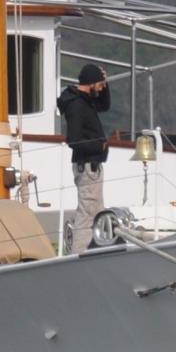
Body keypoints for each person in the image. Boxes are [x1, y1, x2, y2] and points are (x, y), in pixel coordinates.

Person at [57, 64, 112, 233]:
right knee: (87, 215)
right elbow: (73, 140)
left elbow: (104, 105)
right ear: (91, 83)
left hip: (91, 166)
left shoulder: (84, 99)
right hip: (87, 166)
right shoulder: (77, 105)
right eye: (100, 85)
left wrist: (105, 83)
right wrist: (99, 145)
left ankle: (89, 247)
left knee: (95, 214)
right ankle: (79, 248)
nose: (102, 88)